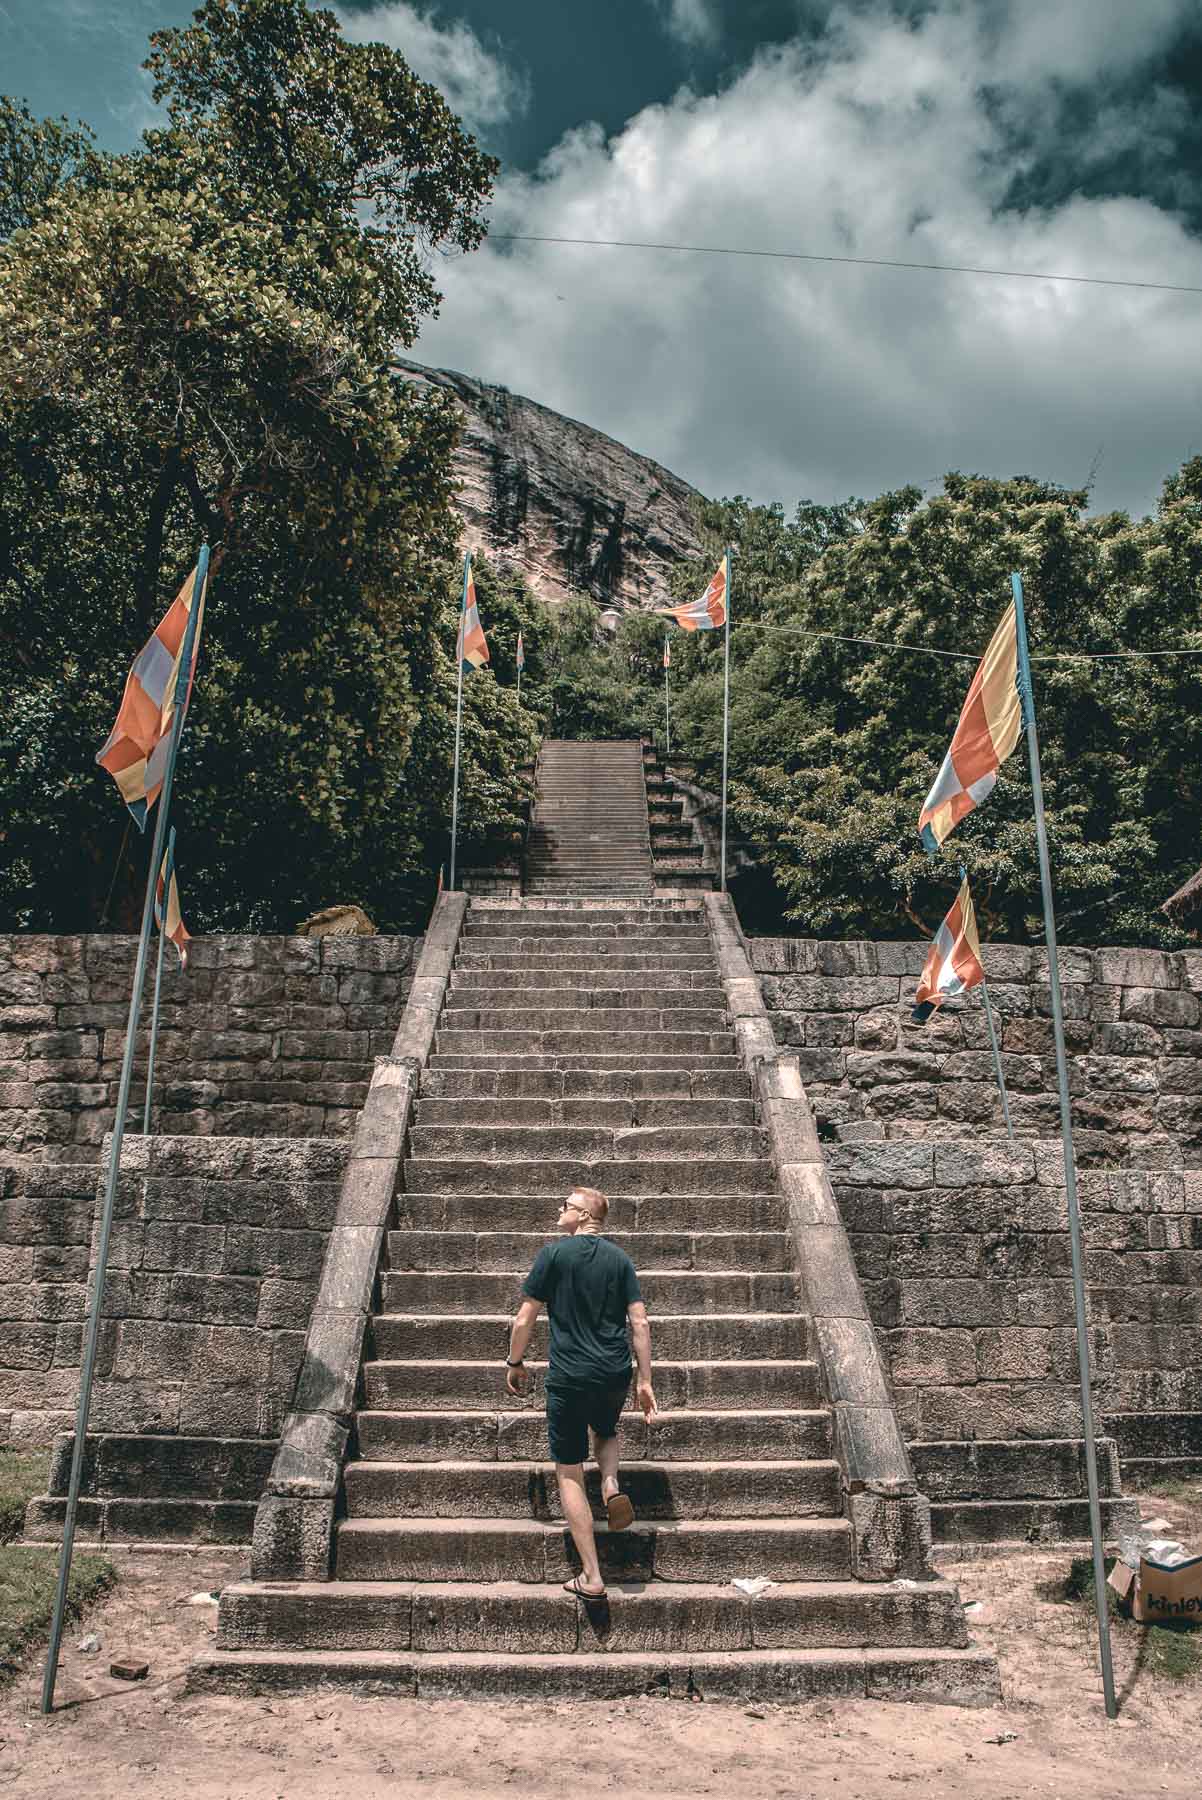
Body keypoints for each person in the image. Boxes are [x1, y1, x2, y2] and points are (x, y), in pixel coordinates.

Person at [504, 1185, 656, 1600]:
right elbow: (639, 1324)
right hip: (613, 1372)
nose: (560, 1210)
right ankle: (609, 1484)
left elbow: (524, 1319)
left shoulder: (553, 1255)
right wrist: (644, 1380)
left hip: (569, 1375)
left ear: (585, 1215)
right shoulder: (621, 1260)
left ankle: (591, 1575)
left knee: (569, 1469)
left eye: (566, 1205)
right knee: (605, 1429)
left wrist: (515, 1363)